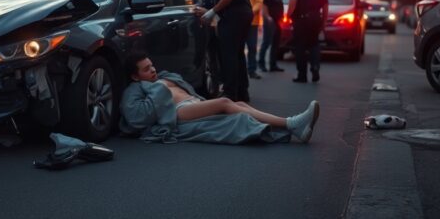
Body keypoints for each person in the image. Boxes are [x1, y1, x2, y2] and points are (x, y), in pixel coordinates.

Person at [120, 51, 321, 144]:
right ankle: (291, 123)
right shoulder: (136, 88)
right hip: (179, 113)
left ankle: (295, 130)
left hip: (193, 104)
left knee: (240, 104)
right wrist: (155, 89)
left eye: (152, 65)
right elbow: (137, 116)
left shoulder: (162, 77)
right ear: (135, 76)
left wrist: (159, 83)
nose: (153, 70)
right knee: (225, 102)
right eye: (147, 70)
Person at [198, 0, 253, 102]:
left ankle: (230, 93)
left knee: (228, 55)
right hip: (242, 15)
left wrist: (212, 11)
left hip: (233, 16)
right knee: (238, 54)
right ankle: (242, 92)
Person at [286, 0, 329, 83]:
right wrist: (324, 21)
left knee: (300, 47)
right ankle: (315, 67)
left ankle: (302, 75)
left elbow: (292, 4)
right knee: (314, 44)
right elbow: (325, 5)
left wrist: (289, 17)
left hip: (301, 20)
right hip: (316, 19)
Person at [258, 0, 287, 72]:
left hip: (277, 22)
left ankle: (273, 64)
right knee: (266, 42)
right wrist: (267, 17)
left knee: (275, 43)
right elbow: (264, 6)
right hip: (270, 21)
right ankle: (261, 63)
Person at [242, 0, 264, 79]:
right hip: (239, 23)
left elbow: (259, 2)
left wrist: (250, 12)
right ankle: (240, 70)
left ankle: (252, 70)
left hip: (252, 23)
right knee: (239, 48)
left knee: (252, 47)